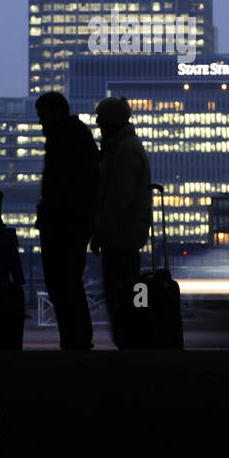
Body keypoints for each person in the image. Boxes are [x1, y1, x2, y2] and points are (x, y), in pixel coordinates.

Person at [34, 91, 98, 350]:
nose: (41, 124)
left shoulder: (61, 138)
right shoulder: (79, 135)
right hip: (76, 222)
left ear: (56, 112)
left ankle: (73, 340)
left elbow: (57, 187)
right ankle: (77, 339)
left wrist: (48, 215)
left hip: (61, 224)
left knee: (61, 284)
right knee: (70, 282)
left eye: (43, 117)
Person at [90, 97, 151, 350]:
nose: (98, 124)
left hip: (120, 236)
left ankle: (129, 344)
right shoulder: (125, 146)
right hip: (126, 235)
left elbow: (118, 197)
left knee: (120, 294)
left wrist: (101, 230)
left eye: (101, 119)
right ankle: (132, 341)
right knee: (127, 292)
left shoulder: (123, 150)